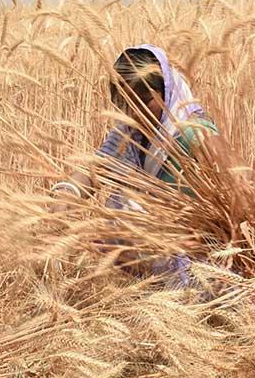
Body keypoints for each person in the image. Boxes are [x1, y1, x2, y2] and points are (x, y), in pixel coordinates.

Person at [50, 44, 224, 286]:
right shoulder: (128, 135)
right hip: (150, 256)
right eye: (127, 103)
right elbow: (94, 171)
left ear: (167, 93)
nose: (136, 112)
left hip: (199, 263)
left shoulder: (194, 132)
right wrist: (66, 195)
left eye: (144, 101)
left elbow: (238, 183)